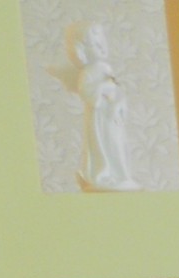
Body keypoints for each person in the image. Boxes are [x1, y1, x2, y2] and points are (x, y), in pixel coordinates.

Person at [49, 22, 140, 192]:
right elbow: (89, 95)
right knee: (106, 144)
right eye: (95, 44)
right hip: (100, 119)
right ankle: (104, 173)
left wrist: (119, 103)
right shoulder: (88, 72)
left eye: (103, 42)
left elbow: (117, 90)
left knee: (118, 143)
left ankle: (121, 175)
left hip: (113, 117)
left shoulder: (106, 68)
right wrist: (104, 88)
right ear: (81, 50)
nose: (102, 47)